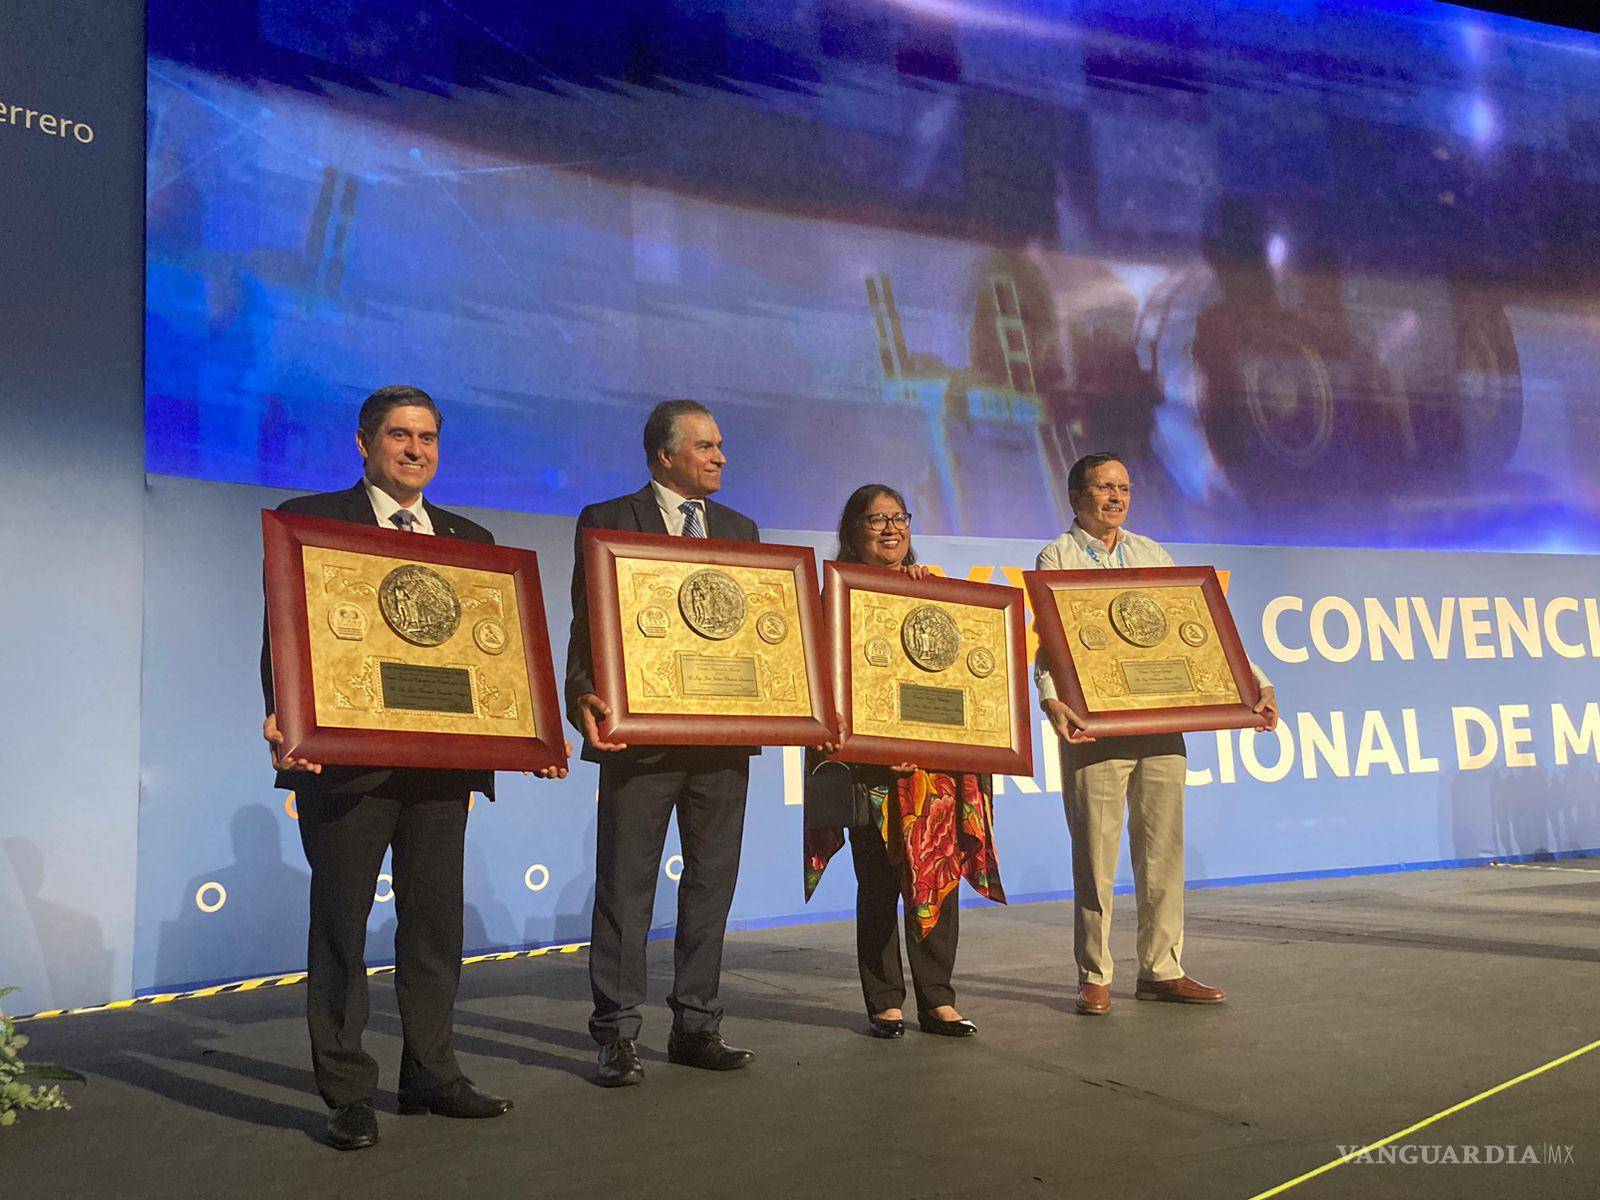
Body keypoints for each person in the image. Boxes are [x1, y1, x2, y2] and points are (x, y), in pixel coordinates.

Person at [261, 385, 569, 1151]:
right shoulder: (314, 521)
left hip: (441, 770)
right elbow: (287, 632)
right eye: (398, 434)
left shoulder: (470, 536)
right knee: (340, 928)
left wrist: (529, 733)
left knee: (433, 929)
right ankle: (345, 1090)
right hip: (346, 765)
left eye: (427, 437)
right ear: (362, 443)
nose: (414, 449)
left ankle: (432, 1072)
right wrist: (285, 713)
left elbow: (492, 655)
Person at [1035, 452, 1278, 1016]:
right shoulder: (1058, 556)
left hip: (1161, 718)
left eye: (1123, 487)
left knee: (1163, 851)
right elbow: (1050, 645)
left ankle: (1162, 969)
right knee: (1095, 855)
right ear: (1077, 498)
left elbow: (1200, 634)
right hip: (1095, 727)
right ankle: (1095, 974)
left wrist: (1255, 685)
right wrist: (1052, 700)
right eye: (1103, 487)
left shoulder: (1151, 553)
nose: (1116, 497)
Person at [566, 399, 759, 1086]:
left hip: (724, 741)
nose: (719, 457)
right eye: (705, 445)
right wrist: (580, 697)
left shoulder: (741, 529)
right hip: (639, 740)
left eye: (720, 445)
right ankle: (617, 1034)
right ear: (663, 455)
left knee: (711, 886)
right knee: (626, 886)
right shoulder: (609, 519)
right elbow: (586, 622)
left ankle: (697, 1024)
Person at [804, 485, 1005, 1039]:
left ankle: (938, 1000)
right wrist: (868, 746)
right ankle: (884, 1000)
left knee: (937, 877)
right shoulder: (830, 600)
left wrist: (929, 601)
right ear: (853, 531)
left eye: (899, 518)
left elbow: (965, 675)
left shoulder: (935, 594)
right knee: (878, 885)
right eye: (876, 520)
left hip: (932, 771)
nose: (891, 529)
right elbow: (823, 684)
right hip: (869, 771)